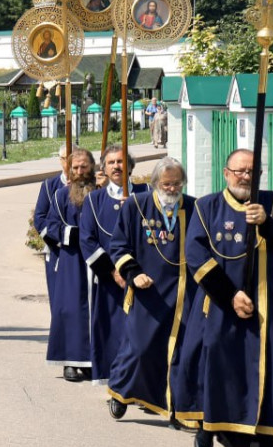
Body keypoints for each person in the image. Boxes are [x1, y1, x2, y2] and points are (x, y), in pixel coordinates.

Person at [185, 149, 273, 447]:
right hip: (222, 308)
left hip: (268, 310)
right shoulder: (206, 207)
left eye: (252, 171)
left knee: (265, 376)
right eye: (240, 171)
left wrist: (267, 224)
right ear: (226, 173)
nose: (246, 177)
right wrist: (230, 295)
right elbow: (196, 257)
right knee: (220, 371)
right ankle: (212, 426)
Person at [106, 158, 197, 424]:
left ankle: (176, 408)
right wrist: (133, 274)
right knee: (140, 349)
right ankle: (121, 391)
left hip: (183, 292)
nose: (172, 189)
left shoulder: (193, 207)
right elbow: (119, 246)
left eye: (177, 184)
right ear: (155, 183)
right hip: (148, 290)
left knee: (180, 352)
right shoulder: (137, 206)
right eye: (167, 184)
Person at [80, 144, 146, 384]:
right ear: (103, 168)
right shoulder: (95, 200)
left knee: (142, 334)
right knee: (113, 332)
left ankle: (142, 386)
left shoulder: (146, 193)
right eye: (112, 163)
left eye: (121, 162)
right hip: (109, 281)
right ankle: (116, 383)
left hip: (143, 278)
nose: (117, 166)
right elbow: (87, 239)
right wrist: (112, 271)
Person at [41, 147, 96, 381]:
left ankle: (95, 359)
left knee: (96, 311)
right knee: (70, 309)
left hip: (98, 260)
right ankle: (70, 361)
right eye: (75, 167)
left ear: (92, 167)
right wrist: (70, 235)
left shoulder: (101, 192)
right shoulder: (60, 195)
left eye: (84, 166)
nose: (80, 171)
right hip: (72, 259)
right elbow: (48, 225)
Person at [32, 146, 68, 321]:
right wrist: (58, 240)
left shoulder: (89, 186)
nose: (68, 162)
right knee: (57, 297)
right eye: (64, 158)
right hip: (56, 250)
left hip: (82, 253)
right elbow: (40, 219)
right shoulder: (49, 186)